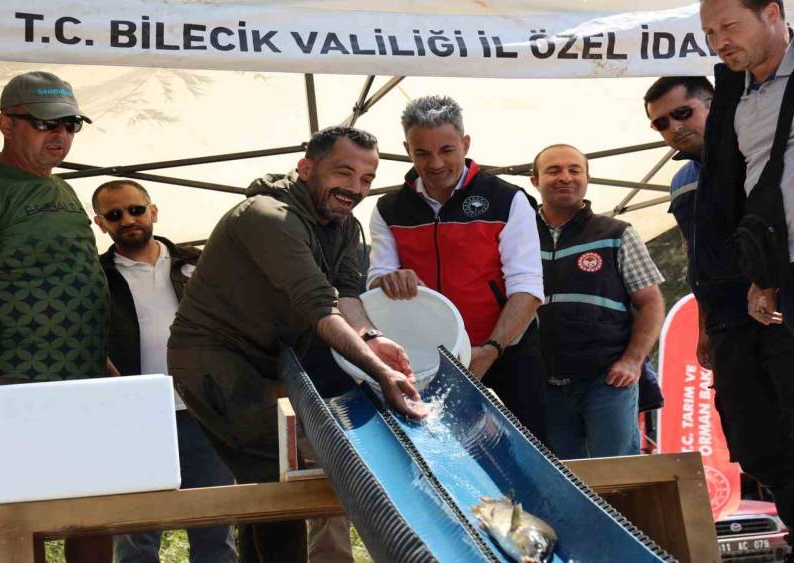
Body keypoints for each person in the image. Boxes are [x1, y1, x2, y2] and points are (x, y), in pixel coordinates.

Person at [646, 75, 794, 563]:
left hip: (788, 309)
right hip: (727, 324)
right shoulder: (681, 180)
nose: (673, 127)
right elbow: (696, 256)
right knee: (756, 445)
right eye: (661, 123)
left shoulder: (757, 153)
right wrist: (706, 324)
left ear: (715, 105)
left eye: (682, 113)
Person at [168, 126, 426, 563]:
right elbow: (318, 307)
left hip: (273, 358)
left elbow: (346, 297)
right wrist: (381, 372)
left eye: (367, 178)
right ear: (306, 168)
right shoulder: (267, 217)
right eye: (343, 173)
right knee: (274, 480)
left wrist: (372, 338)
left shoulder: (344, 227)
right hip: (216, 359)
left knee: (271, 480)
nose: (355, 189)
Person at [0, 71, 112, 562]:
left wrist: (104, 363)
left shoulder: (65, 190)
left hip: (86, 383)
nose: (61, 136)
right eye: (46, 124)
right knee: (28, 518)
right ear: (6, 124)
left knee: (99, 511)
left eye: (71, 125)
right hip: (17, 384)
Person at [367, 95, 548, 444]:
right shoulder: (388, 208)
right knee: (432, 453)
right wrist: (388, 279)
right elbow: (376, 280)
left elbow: (527, 287)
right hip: (424, 359)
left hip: (507, 353)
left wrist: (490, 350)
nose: (435, 163)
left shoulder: (507, 199)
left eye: (447, 150)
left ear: (465, 144)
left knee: (525, 452)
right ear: (407, 150)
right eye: (422, 153)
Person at [92, 180, 237, 563]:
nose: (128, 219)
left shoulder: (200, 263)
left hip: (204, 414)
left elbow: (239, 325)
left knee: (215, 533)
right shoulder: (93, 277)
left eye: (136, 209)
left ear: (153, 211)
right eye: (114, 214)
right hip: (132, 419)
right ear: (101, 223)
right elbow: (82, 339)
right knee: (135, 539)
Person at [530, 144, 664, 459]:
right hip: (542, 384)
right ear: (535, 181)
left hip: (606, 381)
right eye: (554, 170)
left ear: (587, 179)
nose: (565, 177)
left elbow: (651, 303)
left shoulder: (616, 233)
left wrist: (632, 361)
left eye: (574, 170)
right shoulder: (519, 236)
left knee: (617, 474)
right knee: (563, 478)